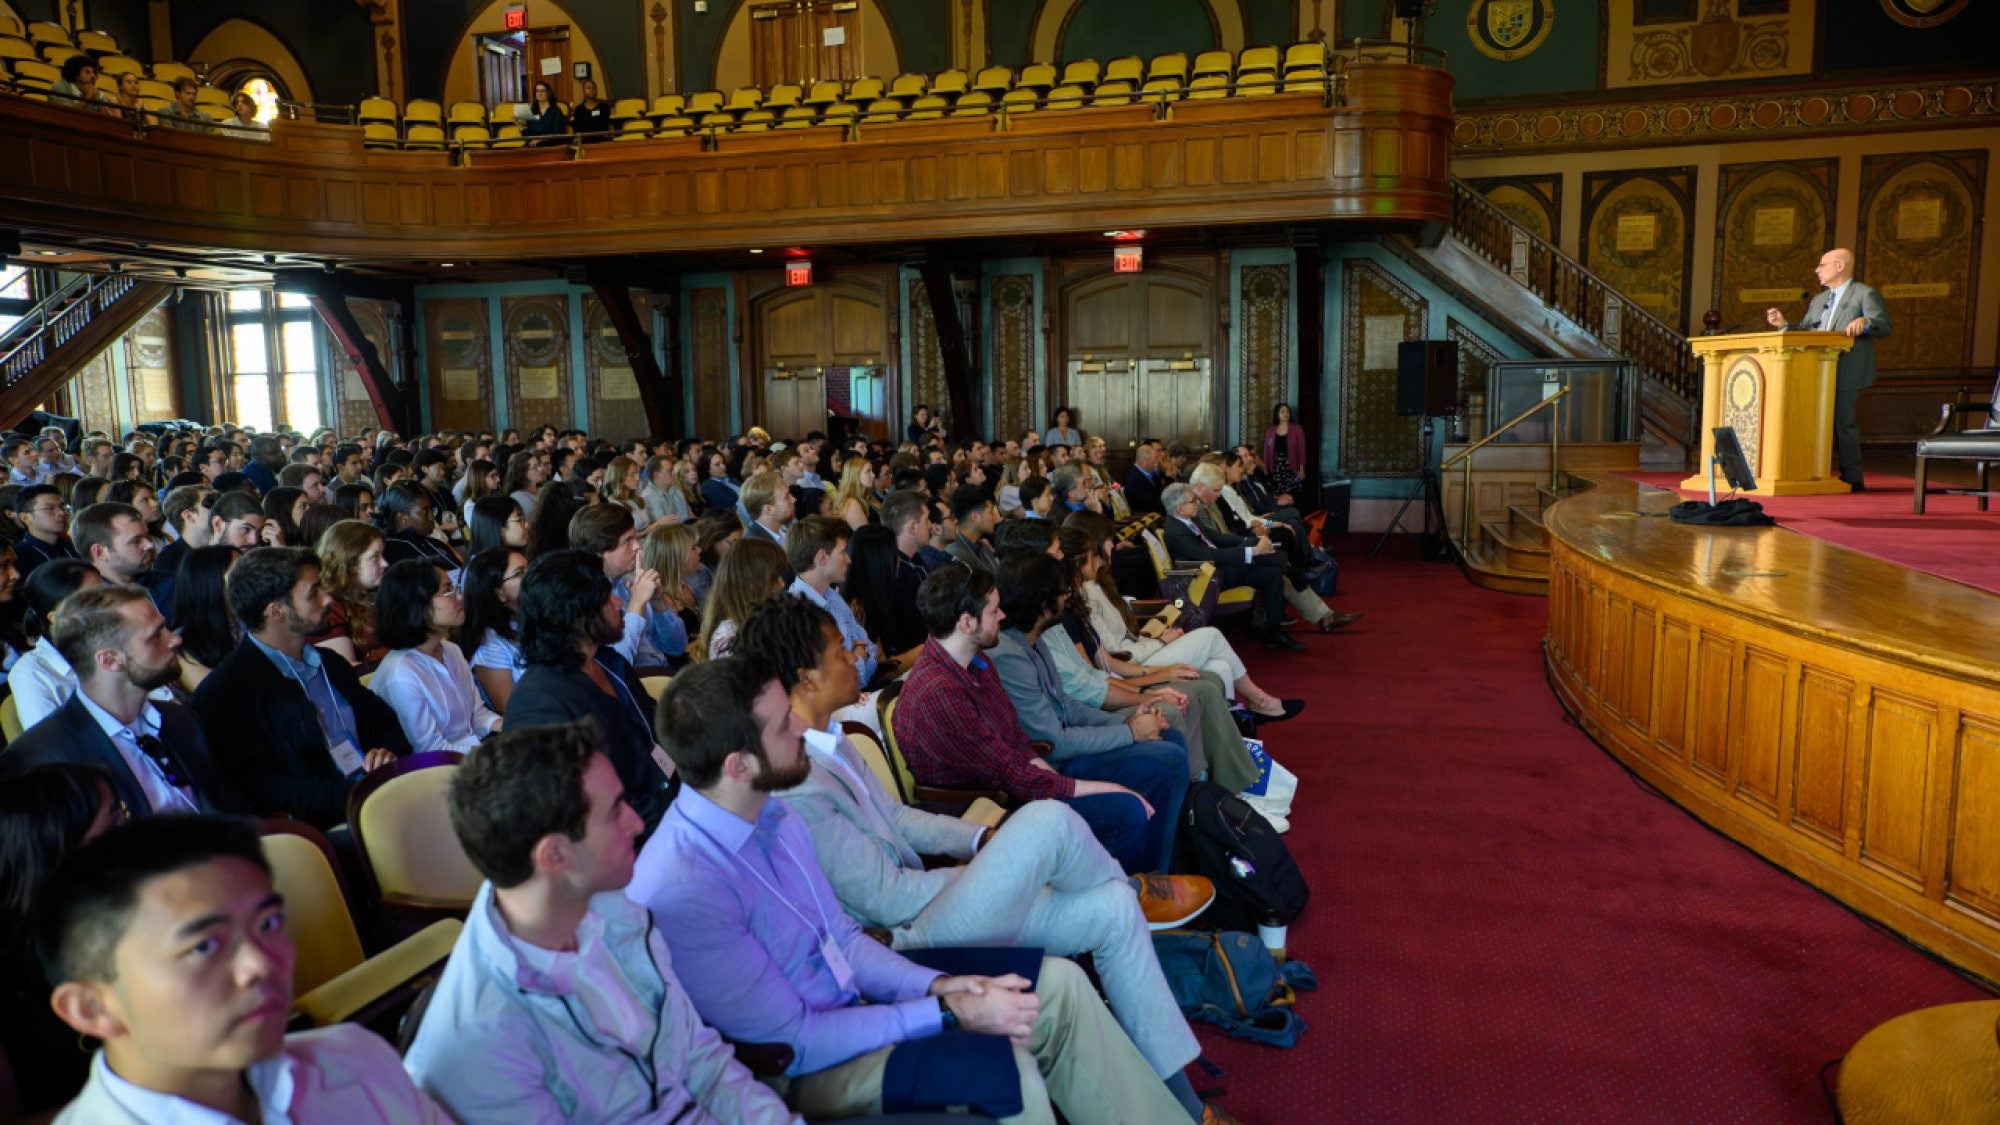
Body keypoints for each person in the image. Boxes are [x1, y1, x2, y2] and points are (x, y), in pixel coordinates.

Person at [633, 656, 1198, 1125]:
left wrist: (944, 984)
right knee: (1006, 1064)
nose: (802, 728)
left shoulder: (773, 818)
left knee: (1059, 987)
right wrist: (948, 1011)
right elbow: (796, 1041)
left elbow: (849, 945)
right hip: (802, 1071)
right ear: (738, 764)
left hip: (857, 1002)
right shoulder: (685, 885)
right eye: (783, 725)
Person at [736, 597, 1217, 1100]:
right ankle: (1133, 884)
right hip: (910, 936)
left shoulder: (831, 740)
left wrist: (980, 839)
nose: (857, 655)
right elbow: (885, 900)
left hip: (933, 903)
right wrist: (988, 870)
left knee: (1112, 910)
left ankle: (1181, 1101)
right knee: (1047, 820)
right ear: (805, 677)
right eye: (839, 649)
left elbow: (897, 818)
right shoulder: (797, 783)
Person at [402, 720, 797, 1121]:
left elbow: (703, 1063)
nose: (637, 823)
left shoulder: (613, 906)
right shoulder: (477, 1046)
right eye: (614, 813)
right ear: (555, 856)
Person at [36, 816, 448, 1123]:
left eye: (267, 924)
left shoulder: (355, 1058)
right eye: (204, 946)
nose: (261, 964)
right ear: (91, 1008)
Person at [895, 564, 1171, 878]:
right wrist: (1110, 788)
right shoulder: (940, 692)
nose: (1002, 617)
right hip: (982, 814)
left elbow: (1017, 742)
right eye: (994, 611)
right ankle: (1121, 899)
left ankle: (1141, 884)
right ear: (966, 622)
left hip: (1009, 787)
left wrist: (1072, 780)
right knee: (1127, 808)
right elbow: (1013, 777)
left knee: (1144, 778)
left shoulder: (977, 662)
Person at [191, 547, 411, 829]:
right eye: (313, 593)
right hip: (325, 828)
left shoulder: (329, 663)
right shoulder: (225, 693)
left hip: (381, 794)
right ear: (277, 612)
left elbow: (384, 720)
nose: (328, 599)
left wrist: (385, 752)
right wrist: (353, 794)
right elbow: (263, 787)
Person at [3, 586, 246, 816]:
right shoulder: (47, 760)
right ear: (110, 660)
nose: (174, 640)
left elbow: (232, 810)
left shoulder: (180, 720)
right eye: (155, 635)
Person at [504, 549, 675, 833]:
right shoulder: (538, 704)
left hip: (667, 806)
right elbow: (582, 810)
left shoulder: (609, 662)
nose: (620, 602)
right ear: (578, 616)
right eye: (607, 599)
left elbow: (652, 735)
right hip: (628, 839)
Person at [0, 765, 122, 1117]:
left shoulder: (121, 921)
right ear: (57, 853)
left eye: (122, 814)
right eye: (110, 829)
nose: (131, 838)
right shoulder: (15, 978)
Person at [1764, 246, 1892, 491]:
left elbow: (1884, 326)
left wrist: (1866, 322)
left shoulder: (1864, 294)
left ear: (1840, 266)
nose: (1816, 270)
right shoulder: (1819, 300)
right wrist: (1784, 325)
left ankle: (1852, 477)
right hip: (1813, 371)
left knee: (1843, 423)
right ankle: (1809, 473)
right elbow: (1806, 333)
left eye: (1822, 265)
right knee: (1810, 421)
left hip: (1847, 368)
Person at [370, 560, 501, 754]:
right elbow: (430, 749)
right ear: (418, 605)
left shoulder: (451, 650)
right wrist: (495, 753)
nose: (460, 597)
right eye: (448, 591)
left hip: (474, 753)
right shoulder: (401, 673)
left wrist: (512, 728)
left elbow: (477, 715)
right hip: (438, 769)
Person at [1159, 482, 1305, 651]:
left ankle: (1275, 633)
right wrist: (1252, 550)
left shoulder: (1190, 518)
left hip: (1219, 568)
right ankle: (1297, 574)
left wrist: (1247, 542)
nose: (1197, 503)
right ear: (1180, 508)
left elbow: (1218, 538)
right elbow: (1210, 556)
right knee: (1262, 555)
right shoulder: (1175, 531)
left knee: (1271, 573)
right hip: (1206, 578)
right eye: (1193, 500)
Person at [786, 516, 880, 686]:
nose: (849, 560)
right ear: (822, 557)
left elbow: (870, 648)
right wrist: (860, 654)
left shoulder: (832, 595)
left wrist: (858, 656)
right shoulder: (798, 612)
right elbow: (840, 681)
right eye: (843, 552)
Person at [694, 536, 787, 660]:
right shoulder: (730, 640)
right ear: (754, 583)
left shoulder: (760, 618)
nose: (782, 584)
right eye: (775, 578)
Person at [309, 519, 388, 663]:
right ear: (349, 563)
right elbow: (347, 670)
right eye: (374, 557)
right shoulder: (329, 609)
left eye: (382, 555)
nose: (384, 563)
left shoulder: (373, 596)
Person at [168, 546, 239, 689]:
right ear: (210, 585)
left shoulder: (251, 621)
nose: (250, 581)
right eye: (237, 576)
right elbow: (220, 698)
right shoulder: (182, 647)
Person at [377, 481, 462, 568]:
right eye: (425, 511)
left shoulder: (430, 542)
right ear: (402, 517)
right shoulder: (391, 553)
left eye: (431, 510)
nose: (432, 517)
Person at [12, 484, 78, 576]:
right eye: (50, 508)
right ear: (25, 518)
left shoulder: (74, 546)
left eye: (62, 507)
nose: (61, 513)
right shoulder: (16, 557)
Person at [945, 485, 1001, 575]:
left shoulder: (981, 544)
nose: (996, 517)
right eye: (990, 512)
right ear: (975, 517)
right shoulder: (956, 558)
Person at [1261, 402, 1307, 499]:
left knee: (1293, 493)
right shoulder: (1271, 430)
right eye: (1282, 412)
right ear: (1277, 414)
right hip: (1277, 466)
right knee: (1278, 492)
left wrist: (1301, 469)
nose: (1286, 414)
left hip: (1292, 465)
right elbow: (1266, 450)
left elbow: (1301, 450)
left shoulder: (1297, 429)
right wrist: (1265, 467)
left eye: (1287, 412)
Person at [521, 79, 568, 144]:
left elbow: (558, 134)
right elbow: (528, 135)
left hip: (551, 145)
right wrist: (519, 126)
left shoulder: (556, 111)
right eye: (537, 91)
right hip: (534, 146)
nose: (539, 93)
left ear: (548, 93)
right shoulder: (532, 111)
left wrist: (540, 140)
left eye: (542, 91)